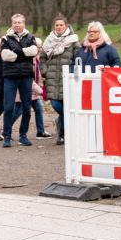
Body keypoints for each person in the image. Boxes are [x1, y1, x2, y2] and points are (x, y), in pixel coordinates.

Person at [0, 14, 38, 148]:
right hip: (10, 77)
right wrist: (23, 54)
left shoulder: (30, 37)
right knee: (9, 107)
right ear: (12, 24)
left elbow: (34, 51)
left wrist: (16, 53)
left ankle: (23, 135)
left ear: (24, 24)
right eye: (15, 22)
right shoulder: (5, 38)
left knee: (27, 108)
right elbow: (5, 55)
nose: (17, 24)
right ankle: (7, 136)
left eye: (19, 22)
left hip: (26, 76)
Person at [40, 16, 80, 145]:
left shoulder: (73, 41)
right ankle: (66, 127)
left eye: (61, 25)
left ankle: (62, 135)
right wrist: (44, 71)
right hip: (52, 79)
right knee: (57, 106)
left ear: (66, 26)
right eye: (56, 25)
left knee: (66, 107)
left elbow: (78, 59)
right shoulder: (48, 41)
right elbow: (42, 58)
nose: (58, 27)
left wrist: (71, 71)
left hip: (66, 80)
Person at [12, 38, 51, 140]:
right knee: (18, 111)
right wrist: (41, 91)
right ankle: (5, 130)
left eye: (40, 47)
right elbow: (29, 80)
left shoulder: (38, 59)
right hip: (24, 90)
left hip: (34, 92)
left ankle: (40, 131)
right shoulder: (27, 60)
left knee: (38, 108)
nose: (39, 49)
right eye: (37, 47)